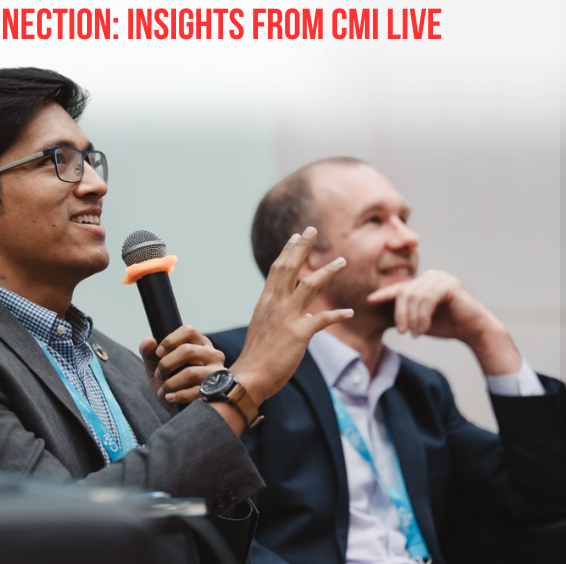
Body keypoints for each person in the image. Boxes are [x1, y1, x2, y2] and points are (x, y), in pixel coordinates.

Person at [0, 68, 354, 562]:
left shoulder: (121, 364)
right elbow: (59, 537)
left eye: (90, 161)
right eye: (59, 161)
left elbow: (200, 538)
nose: (95, 185)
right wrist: (241, 390)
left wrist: (196, 416)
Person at [207, 157, 566, 564]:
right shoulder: (230, 367)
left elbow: (546, 500)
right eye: (375, 221)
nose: (408, 238)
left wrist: (488, 337)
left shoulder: (422, 389)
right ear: (305, 257)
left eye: (404, 219)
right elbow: (217, 537)